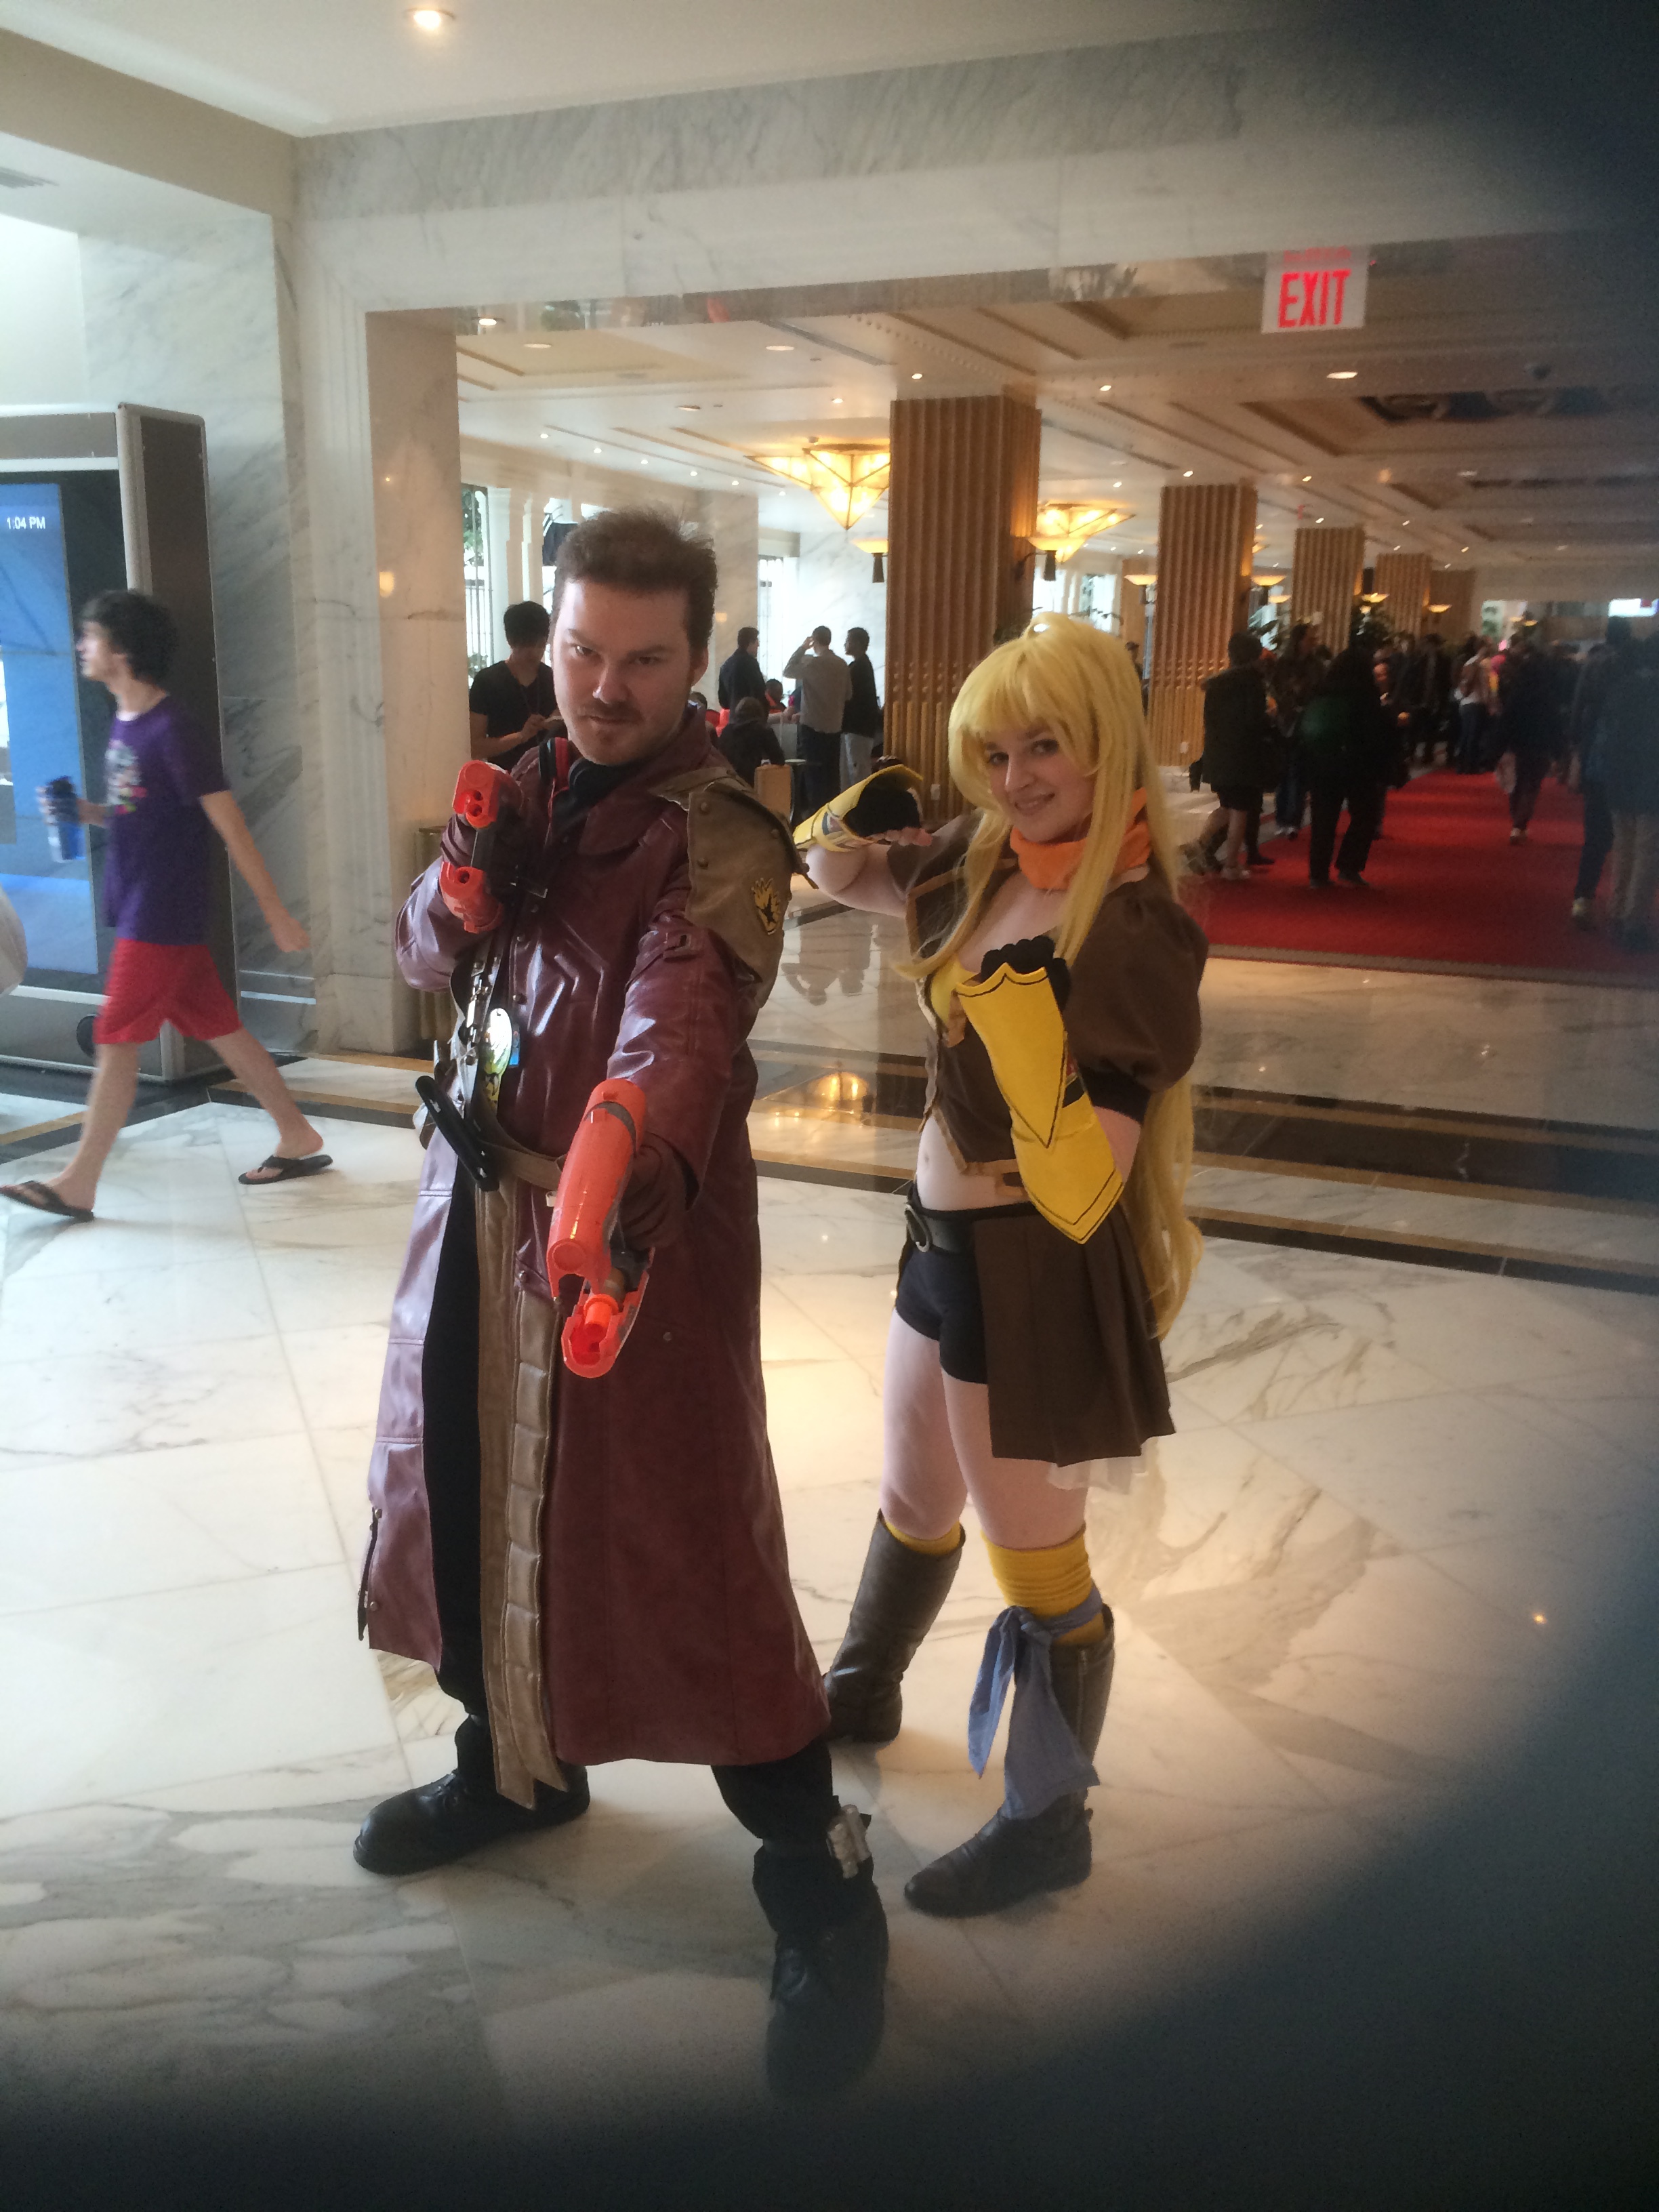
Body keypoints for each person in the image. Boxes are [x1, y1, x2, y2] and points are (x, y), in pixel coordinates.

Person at [354, 508, 886, 2098]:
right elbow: (423, 954)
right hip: (472, 1217)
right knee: (461, 1494)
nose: (602, 685)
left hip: (623, 1239)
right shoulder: (522, 784)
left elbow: (686, 1017)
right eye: (582, 649)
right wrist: (454, 898)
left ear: (694, 659)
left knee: (686, 1553)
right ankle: (512, 1769)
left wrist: (624, 1147)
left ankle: (821, 1882)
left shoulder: (718, 835)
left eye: (641, 659)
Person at [797, 613, 1205, 1918]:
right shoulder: (979, 860)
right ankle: (861, 1687)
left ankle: (1046, 1819)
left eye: (1044, 747)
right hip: (934, 1249)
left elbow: (1086, 1181)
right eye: (995, 749)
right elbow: (831, 873)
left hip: (1028, 1275)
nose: (1017, 775)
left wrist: (1026, 1035)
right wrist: (849, 813)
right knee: (911, 1489)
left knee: (1035, 1558)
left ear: (1103, 746)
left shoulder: (1132, 927)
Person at [1, 590, 324, 1224]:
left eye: (91, 636)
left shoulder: (174, 730)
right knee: (224, 1030)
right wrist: (87, 813)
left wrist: (276, 912)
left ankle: (78, 1182)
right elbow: (139, 812)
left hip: (161, 916)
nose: (81, 646)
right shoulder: (127, 721)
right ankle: (297, 1133)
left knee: (116, 1040)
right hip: (145, 907)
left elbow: (231, 827)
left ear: (121, 649)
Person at [1296, 642, 1397, 889]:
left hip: (1322, 762)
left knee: (1323, 820)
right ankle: (1349, 867)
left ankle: (1318, 874)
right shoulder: (1365, 694)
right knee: (1365, 815)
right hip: (1357, 765)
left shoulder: (1321, 691)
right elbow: (1374, 733)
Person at [1187, 632, 1277, 880]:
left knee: (1226, 806)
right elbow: (1253, 721)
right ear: (1254, 655)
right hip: (1242, 754)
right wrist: (1270, 717)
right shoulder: (1252, 682)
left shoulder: (1216, 682)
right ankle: (1231, 865)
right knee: (1240, 809)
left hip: (1217, 750)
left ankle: (1198, 846)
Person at [1591, 632, 1659, 951]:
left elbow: (1606, 735)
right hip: (1651, 781)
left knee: (1623, 848)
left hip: (1619, 779)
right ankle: (1635, 920)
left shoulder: (1622, 689)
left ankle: (1618, 910)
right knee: (1647, 853)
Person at [1566, 618, 1633, 928]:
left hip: (1596, 753)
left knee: (1594, 835)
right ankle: (1624, 904)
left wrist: (1574, 748)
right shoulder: (1633, 668)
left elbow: (1578, 705)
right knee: (1629, 837)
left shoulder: (1593, 664)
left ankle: (1583, 898)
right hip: (1628, 762)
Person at [468, 600, 556, 769]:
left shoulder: (553, 679)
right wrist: (521, 736)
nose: (533, 652)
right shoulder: (487, 681)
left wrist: (559, 720)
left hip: (549, 777)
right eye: (526, 644)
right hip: (503, 776)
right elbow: (475, 747)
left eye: (540, 644)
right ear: (510, 640)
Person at [1495, 629, 1561, 842]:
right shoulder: (1547, 698)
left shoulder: (1516, 695)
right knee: (1532, 785)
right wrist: (1558, 752)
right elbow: (1555, 725)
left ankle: (1517, 821)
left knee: (1517, 784)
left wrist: (1500, 746)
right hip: (1540, 746)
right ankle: (1520, 823)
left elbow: (1506, 721)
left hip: (1518, 745)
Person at [783, 626, 853, 819]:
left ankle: (815, 816)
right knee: (832, 775)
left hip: (812, 726)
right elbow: (849, 695)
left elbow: (788, 670)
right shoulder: (842, 665)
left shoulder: (811, 664)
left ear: (814, 640)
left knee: (813, 774)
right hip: (834, 726)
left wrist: (802, 648)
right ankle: (832, 816)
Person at [1270, 621, 1321, 839]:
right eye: (1309, 639)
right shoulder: (1283, 664)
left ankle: (1293, 820)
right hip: (1285, 722)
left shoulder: (1316, 665)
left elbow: (1320, 690)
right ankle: (1281, 818)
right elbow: (1275, 689)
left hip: (1307, 722)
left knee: (1299, 773)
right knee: (1283, 772)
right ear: (1298, 641)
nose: (1313, 643)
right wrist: (1288, 700)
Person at [840, 626, 884, 786]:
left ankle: (861, 799)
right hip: (860, 728)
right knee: (857, 768)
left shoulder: (858, 667)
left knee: (858, 770)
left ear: (857, 643)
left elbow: (847, 696)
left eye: (848, 640)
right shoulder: (861, 664)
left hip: (858, 727)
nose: (845, 644)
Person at [716, 693, 787, 788]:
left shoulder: (727, 730)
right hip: (750, 782)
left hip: (726, 779)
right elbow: (779, 760)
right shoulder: (762, 729)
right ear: (760, 712)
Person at [1453, 638, 1494, 774]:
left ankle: (1461, 764)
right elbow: (1484, 686)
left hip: (1466, 702)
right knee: (1473, 736)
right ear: (1482, 647)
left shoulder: (1470, 663)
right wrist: (1488, 701)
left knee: (1466, 735)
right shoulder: (1479, 664)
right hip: (1475, 702)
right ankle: (1471, 765)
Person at [717, 623, 769, 712]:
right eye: (757, 642)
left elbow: (724, 702)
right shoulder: (751, 663)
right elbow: (760, 692)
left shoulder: (726, 665)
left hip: (734, 717)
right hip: (751, 716)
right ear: (750, 643)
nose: (758, 645)